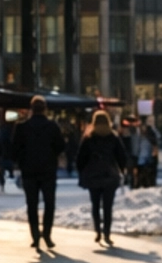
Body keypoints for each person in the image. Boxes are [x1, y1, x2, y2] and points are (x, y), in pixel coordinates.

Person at [12, 97, 67, 253]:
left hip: (29, 170)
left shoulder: (22, 127)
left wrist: (21, 160)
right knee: (49, 203)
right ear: (45, 109)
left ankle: (35, 235)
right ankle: (47, 234)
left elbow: (14, 149)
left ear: (31, 109)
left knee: (32, 204)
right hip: (48, 170)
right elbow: (61, 146)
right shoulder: (52, 127)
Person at [76, 110, 129, 246]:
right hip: (109, 176)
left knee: (95, 205)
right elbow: (122, 156)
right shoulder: (113, 137)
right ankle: (107, 233)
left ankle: (97, 231)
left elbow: (80, 158)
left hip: (93, 176)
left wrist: (82, 172)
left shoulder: (89, 138)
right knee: (107, 206)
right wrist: (122, 170)